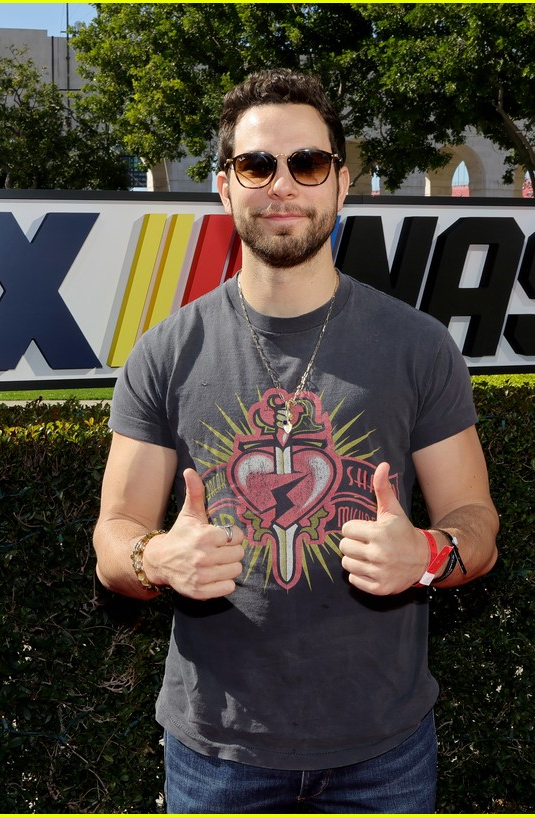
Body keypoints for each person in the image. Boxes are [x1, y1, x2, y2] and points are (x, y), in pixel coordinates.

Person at [93, 68, 499, 814]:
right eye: (257, 165)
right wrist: (156, 557)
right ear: (224, 186)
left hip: (385, 751)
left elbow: (478, 520)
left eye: (307, 163)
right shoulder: (164, 353)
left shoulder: (418, 347)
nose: (282, 184)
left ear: (342, 184)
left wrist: (431, 554)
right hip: (216, 752)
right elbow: (111, 540)